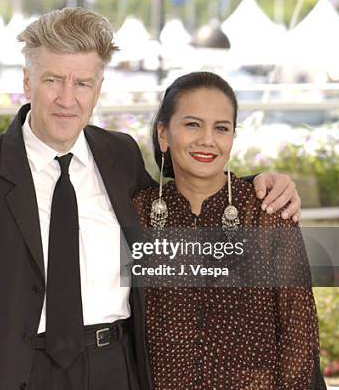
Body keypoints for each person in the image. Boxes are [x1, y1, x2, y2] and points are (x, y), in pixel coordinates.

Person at [0, 8, 302, 390]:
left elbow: (179, 198)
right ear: (27, 81)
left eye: (83, 83)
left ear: (99, 88)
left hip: (116, 367)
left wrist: (257, 185)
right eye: (53, 80)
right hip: (20, 371)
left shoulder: (119, 154)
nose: (67, 99)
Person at [132, 71, 321, 389]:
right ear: (163, 134)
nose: (208, 140)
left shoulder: (266, 212)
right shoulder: (137, 213)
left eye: (221, 128)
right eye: (193, 124)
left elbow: (298, 332)